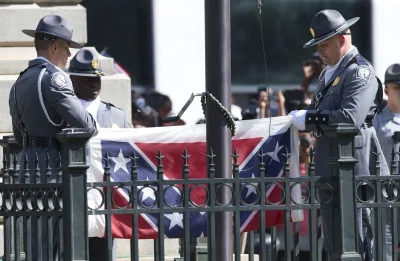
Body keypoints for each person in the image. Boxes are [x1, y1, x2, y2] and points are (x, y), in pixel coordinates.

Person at [289, 10, 388, 260]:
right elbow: (319, 112)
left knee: (356, 239)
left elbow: (349, 118)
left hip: (354, 167)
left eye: (323, 44)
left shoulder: (359, 72)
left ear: (341, 40)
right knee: (335, 245)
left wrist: (309, 119)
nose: (319, 51)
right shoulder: (327, 74)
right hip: (329, 166)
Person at [8, 15, 97, 261]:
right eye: (67, 47)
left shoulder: (19, 81)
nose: (69, 54)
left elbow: (18, 133)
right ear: (56, 46)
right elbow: (87, 125)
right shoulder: (55, 78)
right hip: (55, 168)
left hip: (28, 166)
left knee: (38, 242)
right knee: (60, 243)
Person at [65, 48, 132, 261]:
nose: (94, 83)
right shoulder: (62, 113)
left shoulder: (117, 116)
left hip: (105, 201)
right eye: (87, 79)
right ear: (72, 79)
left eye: (97, 78)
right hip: (72, 198)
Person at [373, 63, 400, 259]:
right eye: (397, 88)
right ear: (386, 90)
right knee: (386, 244)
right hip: (387, 192)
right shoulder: (376, 122)